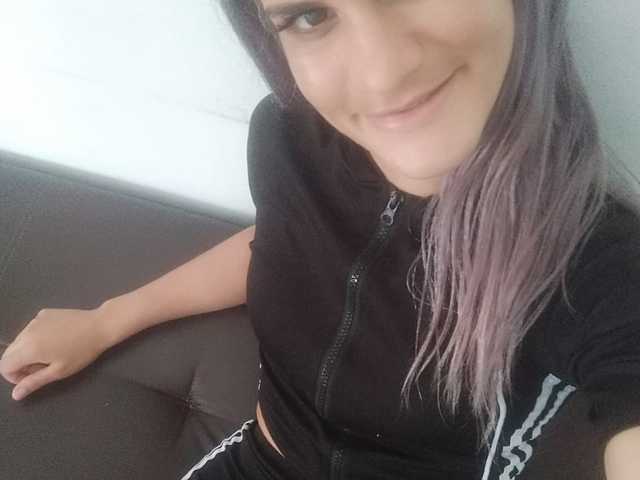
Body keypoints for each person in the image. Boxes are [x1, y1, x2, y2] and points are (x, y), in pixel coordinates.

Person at [2, 1, 640, 479]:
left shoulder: (598, 261)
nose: (384, 72)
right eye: (309, 14)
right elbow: (278, 244)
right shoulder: (289, 136)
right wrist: (106, 320)